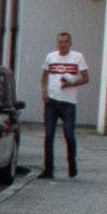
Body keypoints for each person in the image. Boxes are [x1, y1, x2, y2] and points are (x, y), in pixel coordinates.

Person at [42, 27, 89, 178]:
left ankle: (72, 164)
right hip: (52, 100)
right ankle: (48, 169)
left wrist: (71, 83)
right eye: (60, 42)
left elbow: (86, 78)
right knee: (49, 134)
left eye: (65, 42)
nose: (62, 45)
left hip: (68, 102)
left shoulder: (77, 57)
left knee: (69, 134)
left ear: (70, 43)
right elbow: (44, 75)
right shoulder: (50, 57)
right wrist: (44, 91)